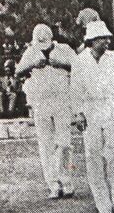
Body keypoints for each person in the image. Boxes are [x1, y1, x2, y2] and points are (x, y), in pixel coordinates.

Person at [71, 21, 114, 213]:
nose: (107, 42)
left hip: (111, 107)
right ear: (91, 41)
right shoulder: (80, 61)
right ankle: (102, 202)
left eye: (107, 38)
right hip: (90, 110)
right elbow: (75, 90)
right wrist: (78, 113)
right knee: (93, 156)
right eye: (102, 39)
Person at [16, 24, 78, 199]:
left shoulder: (64, 49)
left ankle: (66, 182)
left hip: (62, 101)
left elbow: (80, 68)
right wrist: (32, 64)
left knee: (64, 142)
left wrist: (62, 64)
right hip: (41, 103)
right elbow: (17, 71)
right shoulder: (31, 51)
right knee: (46, 144)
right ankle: (53, 184)